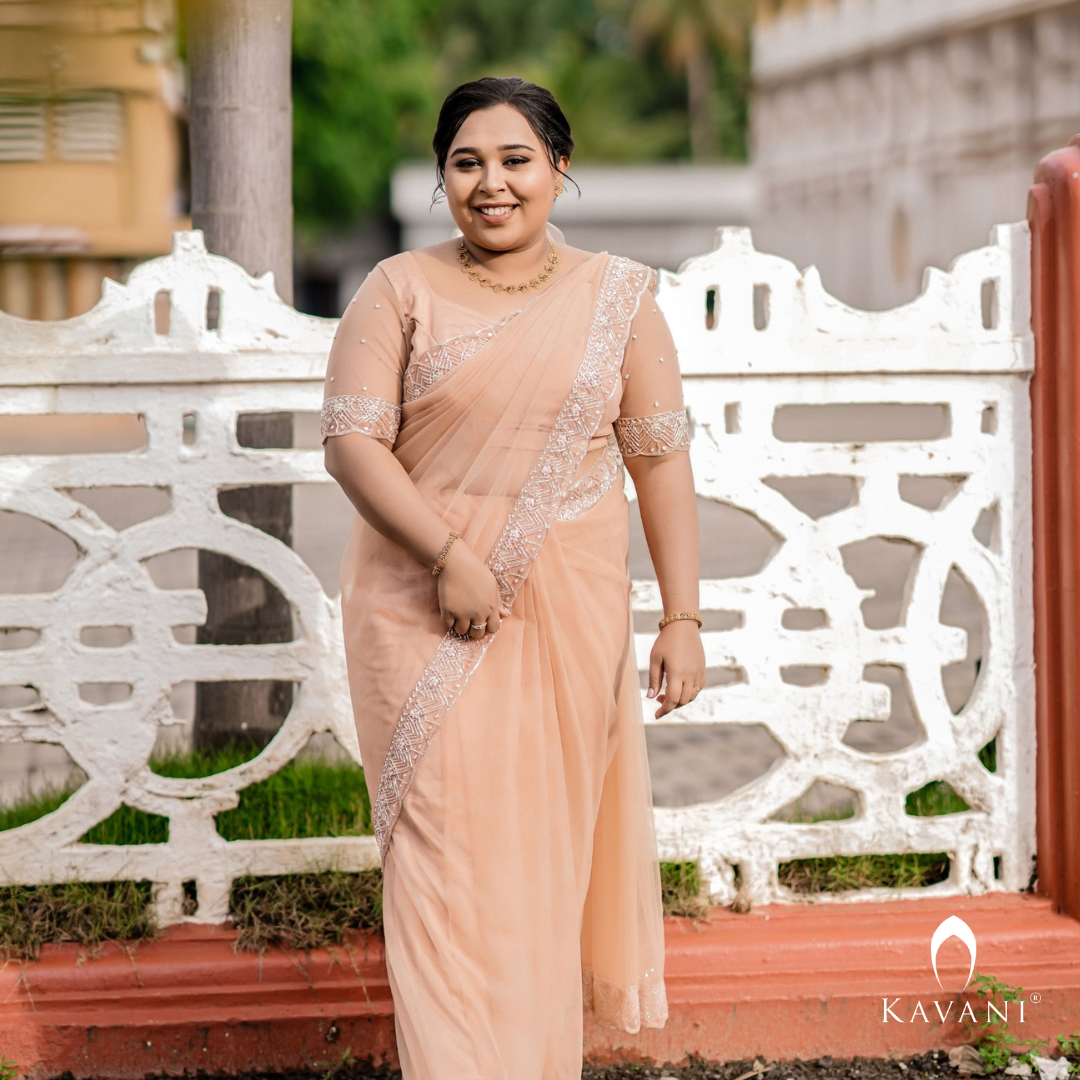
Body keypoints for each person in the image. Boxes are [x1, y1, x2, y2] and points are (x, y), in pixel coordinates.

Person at [322, 76, 705, 1080]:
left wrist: (684, 617)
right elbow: (353, 445)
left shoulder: (619, 297)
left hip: (566, 622)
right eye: (466, 162)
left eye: (515, 159)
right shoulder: (396, 288)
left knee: (538, 873)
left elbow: (659, 458)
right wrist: (447, 555)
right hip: (422, 616)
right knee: (444, 871)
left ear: (559, 170)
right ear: (443, 177)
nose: (491, 183)